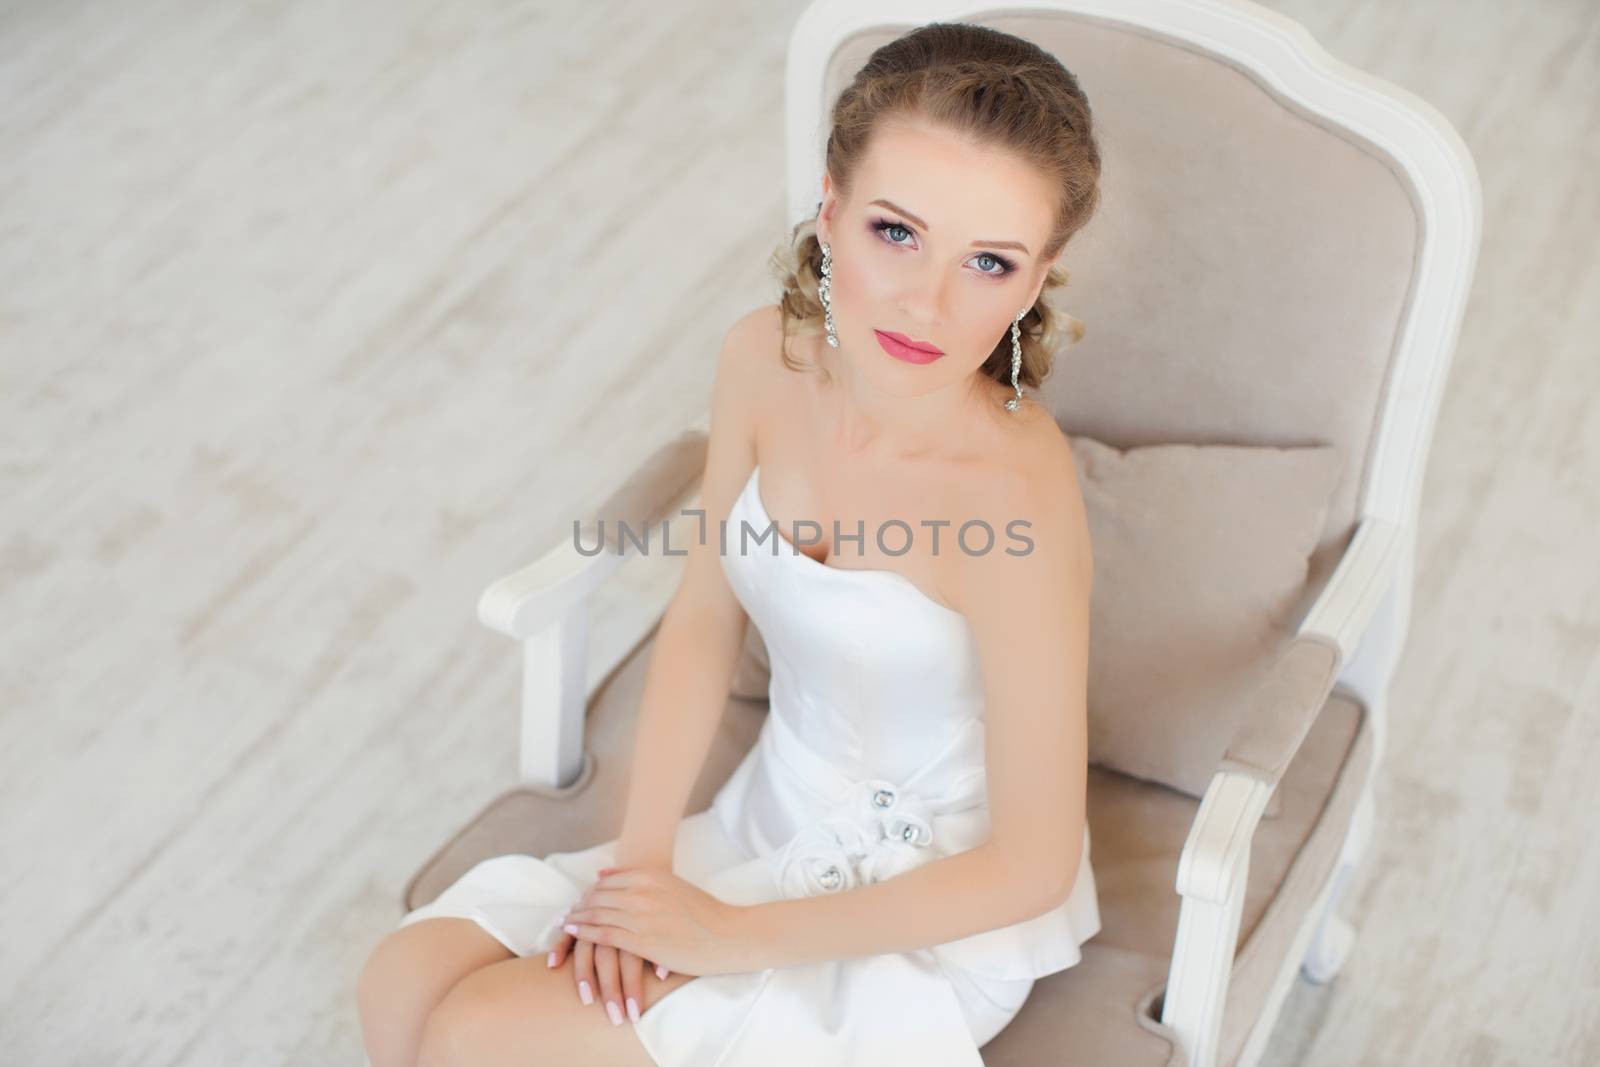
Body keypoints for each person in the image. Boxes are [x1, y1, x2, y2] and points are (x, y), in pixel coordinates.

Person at [357, 20, 1104, 1067]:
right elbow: (704, 620)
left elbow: (1028, 864)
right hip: (763, 810)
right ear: (831, 209)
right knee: (406, 979)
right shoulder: (763, 359)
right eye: (896, 231)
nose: (927, 302)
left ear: (1036, 281)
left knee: (482, 1034)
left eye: (988, 261)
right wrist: (644, 877)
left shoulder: (1016, 499)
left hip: (927, 899)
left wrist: (724, 935)